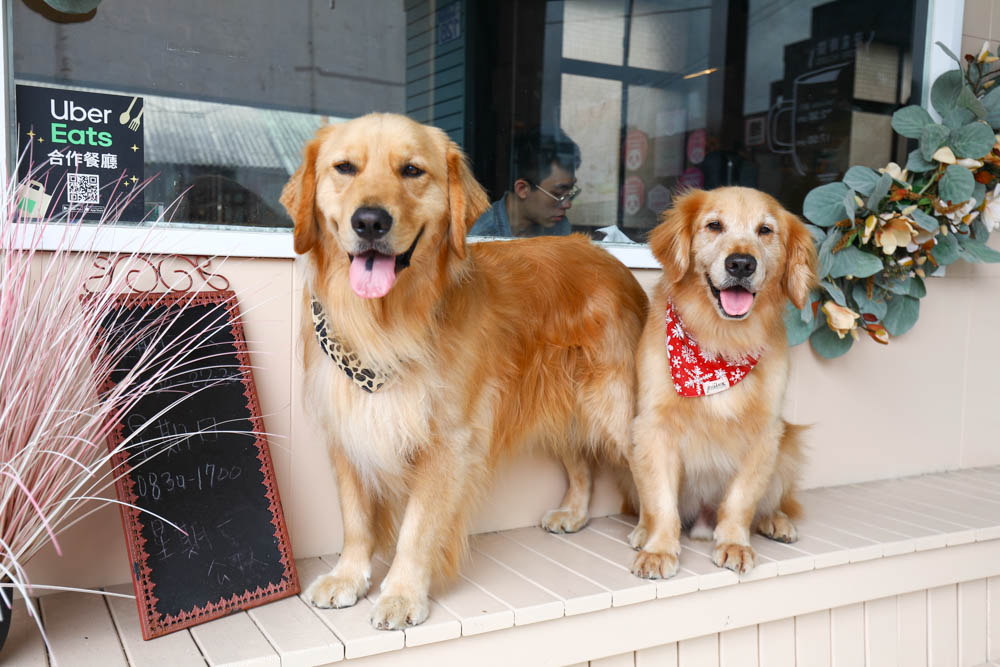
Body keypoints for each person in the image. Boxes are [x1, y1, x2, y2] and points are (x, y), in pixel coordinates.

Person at [469, 128, 582, 237]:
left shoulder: (559, 225)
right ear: (522, 189)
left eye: (570, 193)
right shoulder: (482, 237)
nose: (567, 205)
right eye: (557, 193)